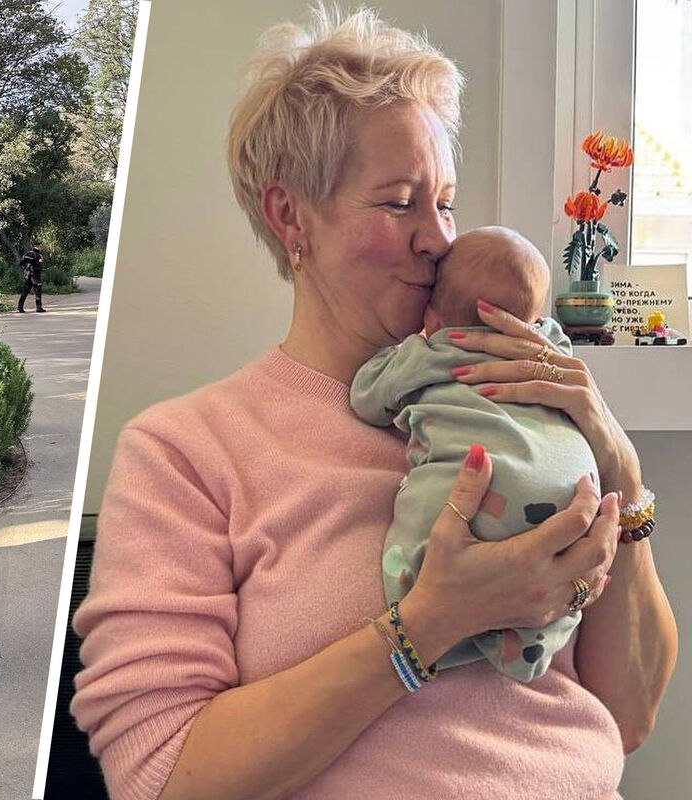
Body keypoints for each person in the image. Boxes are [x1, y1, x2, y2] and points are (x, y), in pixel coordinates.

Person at [71, 9, 677, 800]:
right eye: (399, 203)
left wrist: (620, 468)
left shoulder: (528, 406)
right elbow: (158, 774)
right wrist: (426, 626)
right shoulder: (185, 451)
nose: (439, 239)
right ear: (290, 216)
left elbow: (628, 718)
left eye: (446, 203)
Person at [350, 226, 595, 682]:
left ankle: (420, 620)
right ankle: (530, 647)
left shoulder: (432, 351)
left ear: (432, 317)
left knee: (425, 508)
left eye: (446, 206)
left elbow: (367, 398)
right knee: (566, 564)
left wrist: (411, 348)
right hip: (573, 485)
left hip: (489, 486)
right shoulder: (548, 351)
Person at [18, 241, 46, 312]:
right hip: (35, 276)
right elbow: (39, 266)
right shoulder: (38, 255)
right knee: (38, 292)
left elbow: (21, 264)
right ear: (37, 246)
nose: (41, 248)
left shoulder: (26, 254)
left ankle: (20, 306)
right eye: (41, 247)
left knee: (25, 291)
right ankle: (39, 307)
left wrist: (25, 271)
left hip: (27, 275)